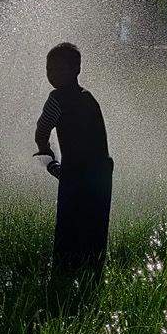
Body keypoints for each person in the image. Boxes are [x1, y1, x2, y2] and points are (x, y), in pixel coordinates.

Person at [34, 42, 113, 276]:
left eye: (58, 69)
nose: (52, 74)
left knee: (68, 225)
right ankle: (93, 269)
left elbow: (42, 128)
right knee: (95, 225)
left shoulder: (56, 99)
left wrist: (44, 149)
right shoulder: (88, 98)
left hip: (76, 174)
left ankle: (63, 271)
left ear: (76, 69)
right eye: (49, 69)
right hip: (100, 173)